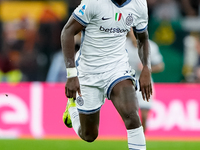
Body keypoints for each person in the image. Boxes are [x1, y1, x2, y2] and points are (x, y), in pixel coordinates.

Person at [61, 0, 152, 149]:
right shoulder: (94, 2)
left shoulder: (139, 4)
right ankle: (72, 110)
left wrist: (147, 68)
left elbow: (143, 38)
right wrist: (71, 75)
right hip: (89, 72)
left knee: (132, 117)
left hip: (117, 69)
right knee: (89, 135)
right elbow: (67, 32)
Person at [126, 30, 164, 133]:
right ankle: (132, 134)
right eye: (131, 31)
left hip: (145, 82)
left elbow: (160, 66)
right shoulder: (122, 46)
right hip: (127, 82)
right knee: (128, 113)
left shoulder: (151, 46)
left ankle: (142, 136)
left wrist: (147, 69)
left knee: (144, 114)